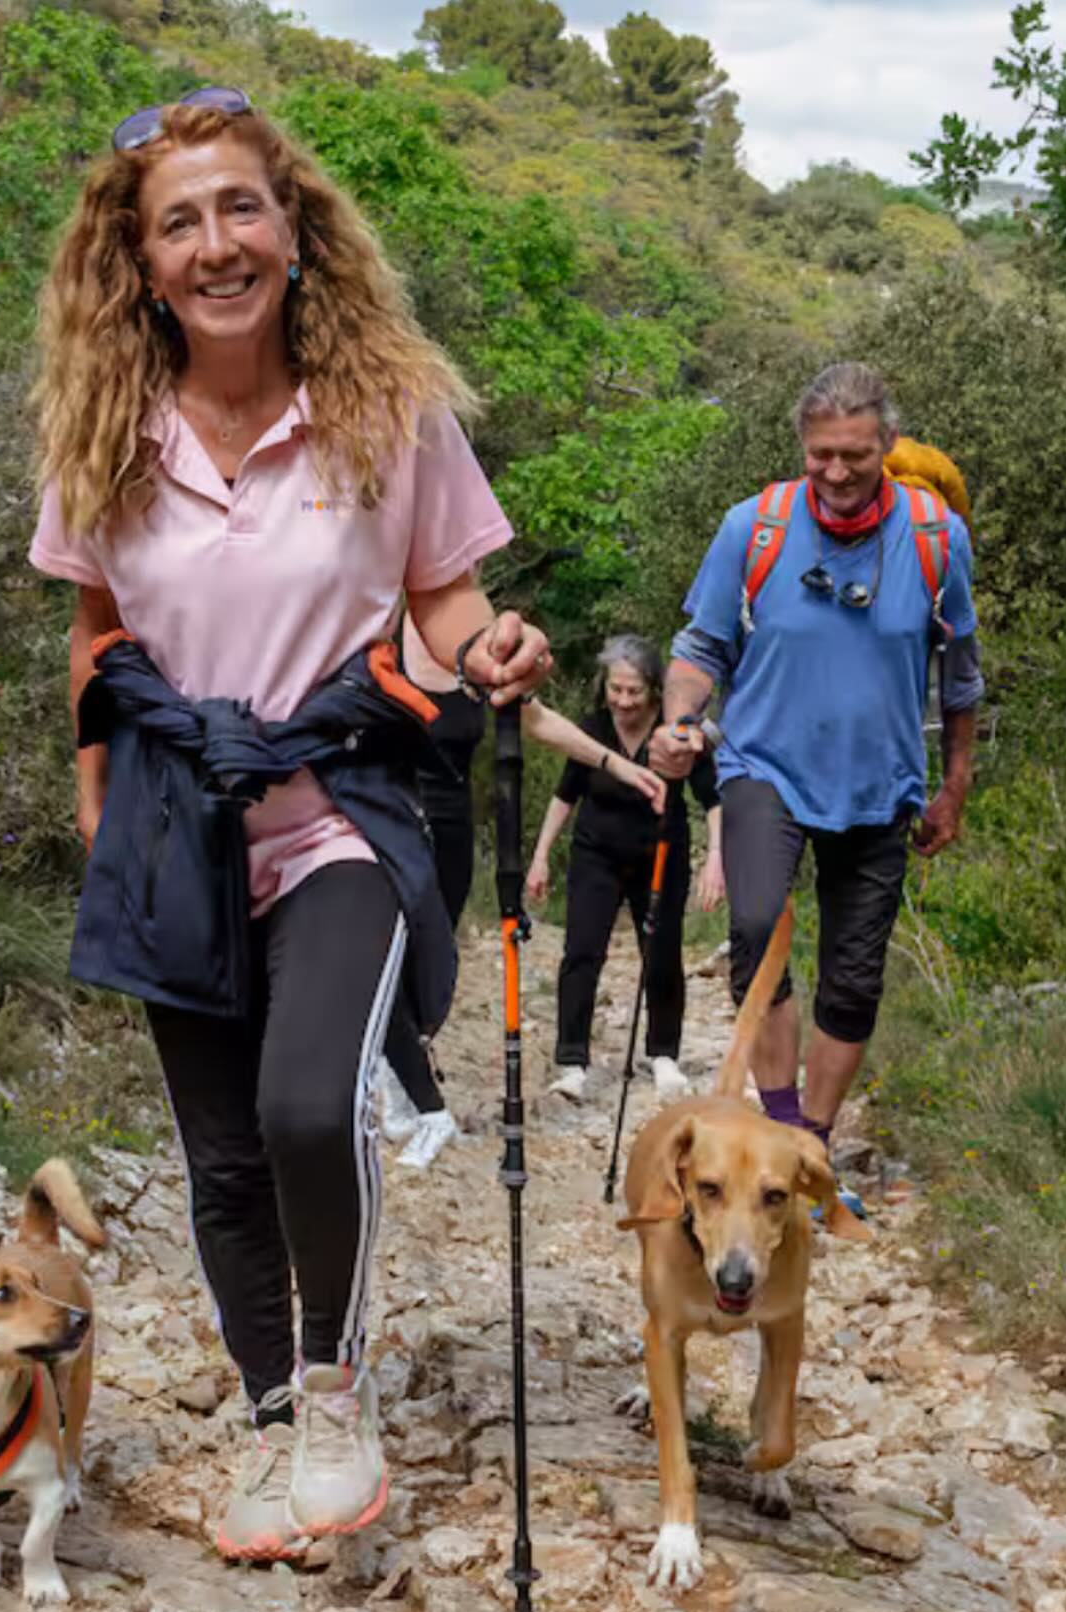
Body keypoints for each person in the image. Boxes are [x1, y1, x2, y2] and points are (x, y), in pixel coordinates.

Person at [28, 87, 554, 1563]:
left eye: (239, 209)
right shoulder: (104, 433)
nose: (216, 244)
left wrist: (491, 647)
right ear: (136, 263)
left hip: (342, 813)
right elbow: (95, 626)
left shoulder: (390, 410)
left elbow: (446, 598)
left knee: (307, 1107)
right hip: (171, 831)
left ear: (295, 228)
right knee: (221, 1161)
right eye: (178, 222)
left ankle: (334, 1392)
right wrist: (98, 813)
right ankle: (267, 1420)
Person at [650, 361, 982, 1166]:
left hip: (881, 781)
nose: (835, 472)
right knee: (757, 929)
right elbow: (701, 646)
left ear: (886, 447)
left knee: (853, 976)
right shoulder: (753, 527)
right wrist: (677, 722)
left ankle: (812, 1146)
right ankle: (780, 1118)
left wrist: (954, 784)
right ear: (801, 447)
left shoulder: (937, 537)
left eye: (853, 456)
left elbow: (961, 670)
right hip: (764, 767)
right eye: (819, 455)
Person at [381, 619, 667, 1167]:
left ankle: (400, 1083)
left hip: (451, 831)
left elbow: (536, 720)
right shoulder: (381, 634)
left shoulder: (475, 647)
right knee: (385, 960)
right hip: (390, 823)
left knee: (432, 967)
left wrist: (618, 766)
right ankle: (408, 1099)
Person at [526, 635, 724, 1105]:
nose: (623, 701)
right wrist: (539, 856)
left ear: (654, 690)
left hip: (661, 854)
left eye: (633, 691)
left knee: (661, 951)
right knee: (581, 951)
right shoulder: (591, 729)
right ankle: (572, 1061)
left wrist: (716, 859)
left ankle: (663, 1055)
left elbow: (713, 799)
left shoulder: (675, 733)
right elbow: (565, 794)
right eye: (616, 689)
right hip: (596, 854)